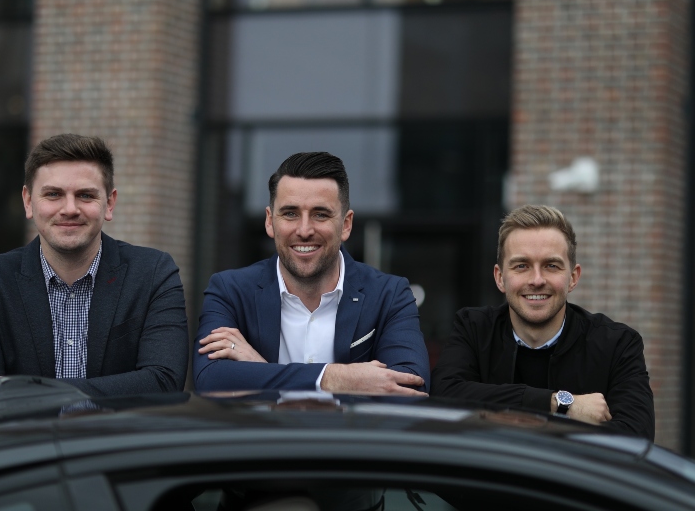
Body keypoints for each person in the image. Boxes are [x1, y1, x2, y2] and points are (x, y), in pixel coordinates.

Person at [0, 134, 188, 415]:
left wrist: (25, 391)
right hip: (26, 454)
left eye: (85, 195)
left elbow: (164, 383)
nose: (70, 209)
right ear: (28, 202)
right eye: (53, 194)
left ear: (109, 203)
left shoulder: (152, 273)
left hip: (122, 455)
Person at [193, 152, 430, 394]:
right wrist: (336, 378)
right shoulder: (230, 290)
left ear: (346, 225)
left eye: (320, 214)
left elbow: (410, 385)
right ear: (269, 221)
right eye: (290, 213)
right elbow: (210, 379)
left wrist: (260, 369)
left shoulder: (389, 295)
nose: (304, 230)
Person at [430, 204, 655, 440]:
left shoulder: (617, 345)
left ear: (573, 277)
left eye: (551, 265)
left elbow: (636, 437)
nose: (537, 280)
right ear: (500, 278)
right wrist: (559, 404)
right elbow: (444, 395)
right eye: (521, 266)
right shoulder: (473, 328)